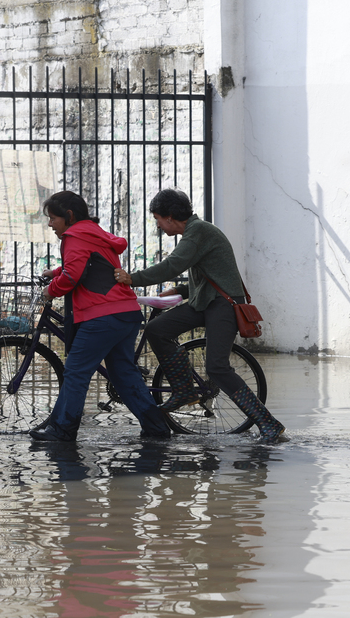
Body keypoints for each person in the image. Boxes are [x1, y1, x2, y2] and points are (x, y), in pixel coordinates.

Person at [113, 189, 286, 443]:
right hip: (205, 302)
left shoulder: (198, 232)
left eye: (158, 219)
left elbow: (173, 265)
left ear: (170, 217)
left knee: (217, 368)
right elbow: (212, 274)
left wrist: (133, 278)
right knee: (156, 329)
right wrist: (182, 290)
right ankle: (184, 390)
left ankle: (268, 423)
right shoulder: (194, 233)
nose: (158, 226)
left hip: (223, 306)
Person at [30, 191, 171, 442]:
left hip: (102, 316)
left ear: (69, 216)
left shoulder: (73, 236)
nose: (50, 224)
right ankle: (157, 427)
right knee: (123, 373)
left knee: (75, 372)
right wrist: (54, 272)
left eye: (52, 218)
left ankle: (62, 430)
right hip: (125, 312)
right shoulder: (93, 232)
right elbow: (88, 263)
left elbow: (73, 275)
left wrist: (49, 292)